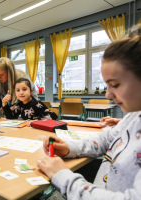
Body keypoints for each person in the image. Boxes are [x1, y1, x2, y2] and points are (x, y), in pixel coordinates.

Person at [37, 26, 141, 199]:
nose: (108, 94)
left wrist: (63, 176)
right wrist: (69, 148)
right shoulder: (133, 116)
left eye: (115, 85)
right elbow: (107, 139)